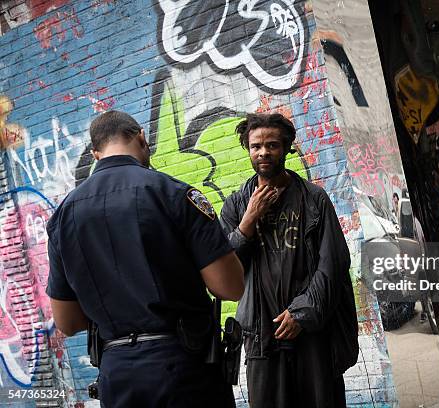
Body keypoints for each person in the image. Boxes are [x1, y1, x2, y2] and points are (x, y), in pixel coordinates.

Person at [45, 110, 245, 407]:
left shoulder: (63, 217)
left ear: (96, 153)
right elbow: (230, 288)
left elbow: (68, 322)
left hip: (117, 375)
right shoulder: (174, 194)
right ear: (141, 136)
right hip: (183, 369)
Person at [220, 112, 358, 408]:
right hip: (261, 336)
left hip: (311, 333)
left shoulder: (314, 199)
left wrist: (302, 313)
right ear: (248, 149)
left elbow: (332, 264)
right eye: (256, 146)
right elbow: (225, 270)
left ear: (286, 148)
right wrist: (247, 222)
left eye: (272, 145)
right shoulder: (236, 206)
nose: (263, 152)